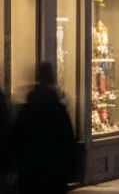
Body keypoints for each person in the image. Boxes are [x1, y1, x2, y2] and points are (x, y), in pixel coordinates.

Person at [10, 63, 77, 194]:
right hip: (54, 170)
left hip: (30, 169)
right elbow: (68, 140)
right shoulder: (58, 110)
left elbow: (16, 138)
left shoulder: (27, 109)